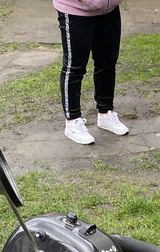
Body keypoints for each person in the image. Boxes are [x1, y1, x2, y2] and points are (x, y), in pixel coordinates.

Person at [53, 0, 130, 145]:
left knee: (107, 61)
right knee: (75, 66)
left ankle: (105, 112)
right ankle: (72, 121)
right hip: (75, 9)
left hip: (109, 9)